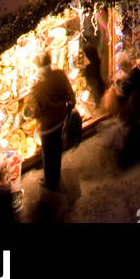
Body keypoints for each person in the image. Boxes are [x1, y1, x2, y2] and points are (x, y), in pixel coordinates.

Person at [29, 52, 76, 192]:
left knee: (48, 155)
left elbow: (35, 113)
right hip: (61, 121)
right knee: (57, 151)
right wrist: (66, 111)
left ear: (38, 68)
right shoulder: (60, 75)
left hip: (47, 127)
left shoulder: (37, 89)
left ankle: (50, 182)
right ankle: (55, 177)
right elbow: (71, 97)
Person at [81, 43, 105, 107]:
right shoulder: (94, 54)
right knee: (96, 87)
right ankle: (98, 102)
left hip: (91, 75)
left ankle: (97, 103)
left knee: (94, 88)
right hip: (95, 74)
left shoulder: (88, 55)